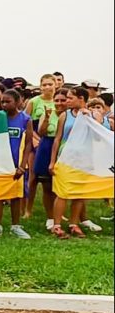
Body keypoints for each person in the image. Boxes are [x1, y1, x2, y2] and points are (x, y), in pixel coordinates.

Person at [49, 86, 102, 238]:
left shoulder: (93, 114)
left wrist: (89, 119)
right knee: (62, 193)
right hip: (66, 158)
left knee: (79, 193)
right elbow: (57, 139)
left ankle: (74, 223)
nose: (67, 101)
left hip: (85, 159)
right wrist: (52, 161)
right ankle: (57, 225)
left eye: (71, 98)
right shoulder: (64, 116)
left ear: (81, 99)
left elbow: (98, 136)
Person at [0, 90, 32, 239]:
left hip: (16, 164)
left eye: (8, 102)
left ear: (18, 102)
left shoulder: (25, 119)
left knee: (16, 196)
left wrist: (23, 165)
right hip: (0, 163)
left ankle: (15, 226)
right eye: (2, 102)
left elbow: (29, 144)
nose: (5, 105)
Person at [32, 88, 68, 230]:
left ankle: (60, 213)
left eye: (63, 100)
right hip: (46, 147)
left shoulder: (70, 116)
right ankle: (50, 217)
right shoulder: (49, 112)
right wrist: (46, 118)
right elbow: (41, 132)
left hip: (64, 149)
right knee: (47, 185)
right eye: (56, 100)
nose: (59, 103)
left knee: (62, 186)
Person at [23, 75, 57, 220]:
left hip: (53, 142)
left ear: (56, 85)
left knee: (53, 179)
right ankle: (27, 209)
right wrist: (35, 139)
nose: (47, 87)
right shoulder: (34, 101)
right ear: (40, 86)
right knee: (33, 178)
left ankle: (54, 209)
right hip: (35, 142)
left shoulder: (59, 102)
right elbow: (24, 122)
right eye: (44, 84)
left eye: (50, 84)